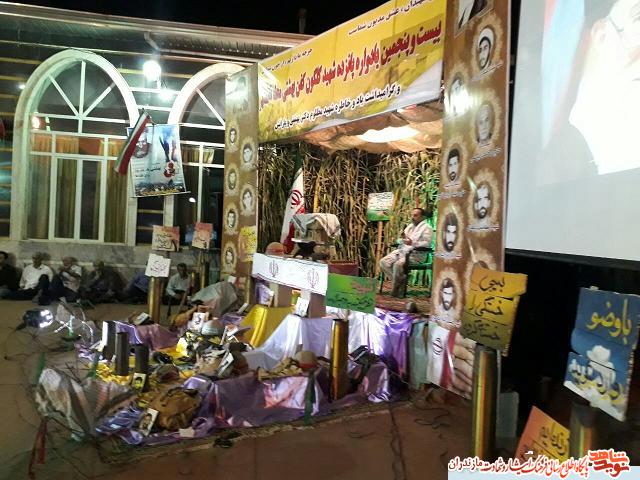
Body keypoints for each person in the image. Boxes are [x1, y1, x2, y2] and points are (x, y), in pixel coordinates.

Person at [379, 208, 433, 297]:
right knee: (383, 262)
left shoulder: (427, 228)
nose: (412, 217)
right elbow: (401, 239)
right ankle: (401, 282)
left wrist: (412, 243)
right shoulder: (410, 227)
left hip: (415, 255)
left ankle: (395, 290)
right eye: (412, 215)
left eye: (415, 215)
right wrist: (402, 240)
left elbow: (427, 243)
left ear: (422, 217)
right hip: (402, 251)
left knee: (398, 265)